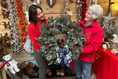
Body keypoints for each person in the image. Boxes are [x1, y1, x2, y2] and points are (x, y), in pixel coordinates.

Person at [74, 4, 103, 79]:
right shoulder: (79, 24)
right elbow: (73, 37)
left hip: (87, 58)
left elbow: (94, 46)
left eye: (89, 14)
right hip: (77, 56)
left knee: (86, 74)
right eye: (87, 12)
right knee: (77, 73)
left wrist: (79, 50)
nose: (86, 14)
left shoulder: (98, 29)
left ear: (94, 17)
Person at [28, 5, 47, 79]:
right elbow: (36, 41)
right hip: (39, 50)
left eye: (41, 12)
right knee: (43, 69)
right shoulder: (31, 26)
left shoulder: (46, 22)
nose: (42, 14)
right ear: (33, 16)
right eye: (39, 14)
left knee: (47, 67)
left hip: (49, 48)